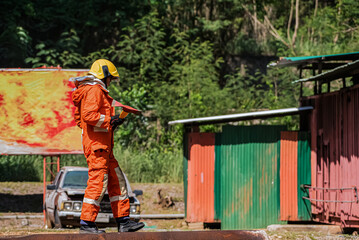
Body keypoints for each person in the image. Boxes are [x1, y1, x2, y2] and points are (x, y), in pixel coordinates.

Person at [71, 59, 145, 234]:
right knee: (98, 183)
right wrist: (108, 121)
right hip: (98, 148)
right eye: (110, 78)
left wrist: (112, 122)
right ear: (103, 75)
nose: (110, 81)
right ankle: (87, 224)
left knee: (117, 182)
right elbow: (89, 116)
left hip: (103, 147)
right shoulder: (94, 90)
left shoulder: (94, 90)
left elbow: (83, 119)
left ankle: (124, 222)